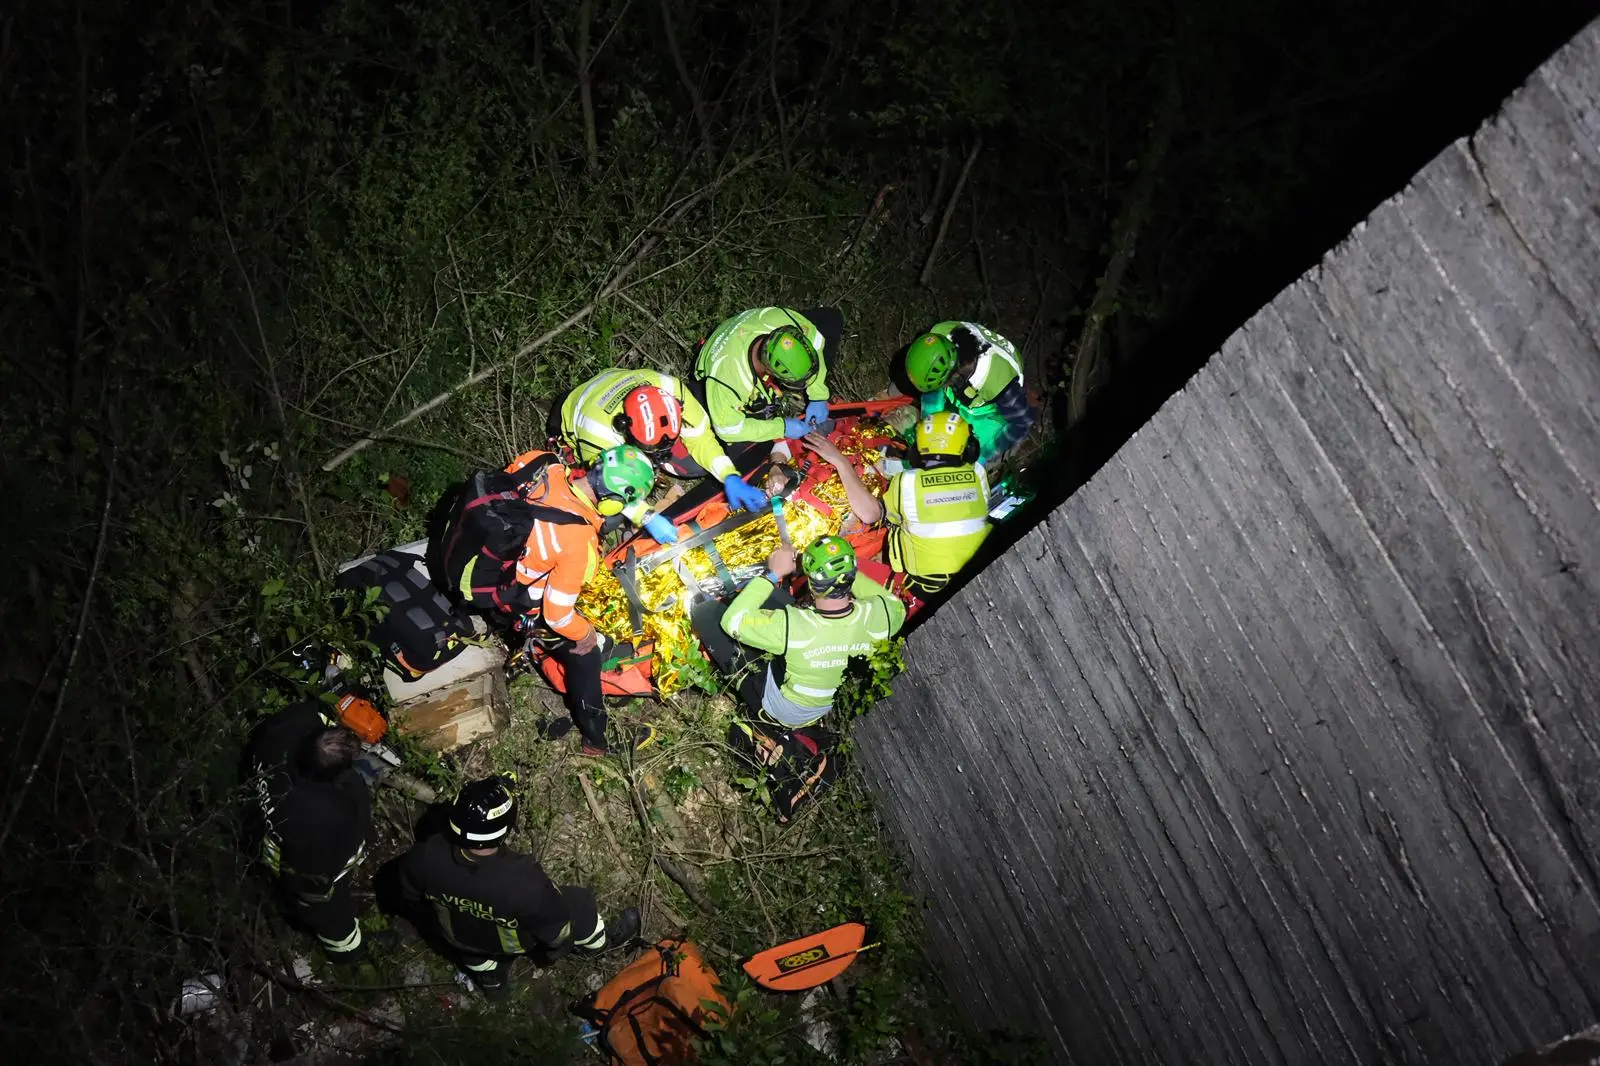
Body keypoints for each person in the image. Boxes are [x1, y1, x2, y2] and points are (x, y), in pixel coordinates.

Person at [690, 536, 905, 823]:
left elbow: (734, 622)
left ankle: (755, 695)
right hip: (818, 707)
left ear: (812, 583)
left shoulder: (796, 625)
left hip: (781, 707)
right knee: (777, 611)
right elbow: (890, 602)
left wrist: (773, 574)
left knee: (707, 615)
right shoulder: (886, 616)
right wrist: (838, 574)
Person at [395, 773, 641, 1001]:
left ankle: (491, 982)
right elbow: (556, 931)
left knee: (473, 953)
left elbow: (411, 898)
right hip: (511, 943)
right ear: (505, 831)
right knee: (578, 902)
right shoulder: (522, 880)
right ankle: (599, 944)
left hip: (458, 939)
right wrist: (556, 951)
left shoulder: (424, 855)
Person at [490, 446, 655, 755]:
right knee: (586, 655)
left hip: (491, 559)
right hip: (514, 601)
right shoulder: (579, 542)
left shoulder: (542, 462)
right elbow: (557, 615)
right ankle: (596, 739)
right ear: (611, 503)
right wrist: (586, 635)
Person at [550, 368, 769, 544]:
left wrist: (729, 475)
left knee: (693, 465)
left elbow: (702, 438)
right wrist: (647, 517)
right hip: (576, 411)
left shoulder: (672, 389)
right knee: (610, 513)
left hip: (615, 381)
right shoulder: (598, 432)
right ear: (626, 430)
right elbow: (608, 484)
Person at [242, 701, 373, 964]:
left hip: (259, 828)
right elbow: (344, 853)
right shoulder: (331, 810)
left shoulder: (288, 729)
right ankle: (348, 952)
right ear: (337, 774)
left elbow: (312, 712)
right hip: (298, 867)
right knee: (328, 908)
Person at [807, 415, 991, 597]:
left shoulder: (909, 483)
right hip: (979, 564)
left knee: (835, 572)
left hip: (925, 585)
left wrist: (840, 461)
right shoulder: (978, 472)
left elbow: (871, 514)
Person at [693, 306, 842, 445]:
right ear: (769, 371)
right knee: (749, 430)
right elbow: (728, 430)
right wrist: (781, 428)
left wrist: (818, 395)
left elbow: (815, 340)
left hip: (742, 333)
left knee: (831, 319)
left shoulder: (777, 319)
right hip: (712, 370)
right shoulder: (728, 380)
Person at [904, 321, 1036, 464]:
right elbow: (932, 395)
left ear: (954, 376)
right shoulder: (939, 335)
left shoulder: (998, 385)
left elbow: (1022, 423)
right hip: (965, 382)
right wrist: (927, 429)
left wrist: (985, 454)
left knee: (967, 457)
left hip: (993, 411)